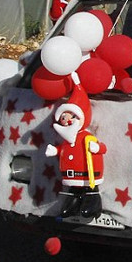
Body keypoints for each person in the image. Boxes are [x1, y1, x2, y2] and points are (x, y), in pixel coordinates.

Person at [45, 85, 106, 219]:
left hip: (88, 173)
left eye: (72, 116)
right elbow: (63, 150)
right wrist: (55, 150)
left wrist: (97, 148)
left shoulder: (87, 137)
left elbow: (103, 148)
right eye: (64, 118)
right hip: (71, 174)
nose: (69, 120)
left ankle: (92, 204)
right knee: (73, 190)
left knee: (90, 189)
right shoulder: (67, 140)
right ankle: (72, 205)